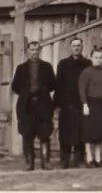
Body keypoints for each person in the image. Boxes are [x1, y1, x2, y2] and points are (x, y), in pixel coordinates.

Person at [10, 40, 57, 170]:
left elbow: (53, 85)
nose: (34, 52)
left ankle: (45, 162)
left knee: (44, 133)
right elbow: (15, 87)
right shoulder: (21, 68)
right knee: (27, 133)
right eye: (32, 50)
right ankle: (29, 162)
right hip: (27, 106)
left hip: (43, 104)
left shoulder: (47, 67)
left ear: (40, 51)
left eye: (37, 50)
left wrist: (41, 91)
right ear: (27, 51)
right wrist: (27, 93)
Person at [55, 36, 89, 168]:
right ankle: (65, 158)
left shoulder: (87, 63)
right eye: (74, 46)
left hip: (81, 102)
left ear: (82, 47)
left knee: (80, 130)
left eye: (79, 46)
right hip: (66, 102)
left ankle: (78, 158)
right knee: (65, 131)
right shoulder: (63, 64)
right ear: (71, 47)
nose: (76, 48)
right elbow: (58, 84)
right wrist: (57, 103)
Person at [78, 47, 102, 168]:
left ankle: (98, 158)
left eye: (100, 58)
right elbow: (82, 89)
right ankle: (89, 157)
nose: (98, 60)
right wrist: (84, 104)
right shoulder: (86, 72)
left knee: (100, 134)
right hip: (91, 104)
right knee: (89, 133)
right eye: (96, 57)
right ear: (91, 58)